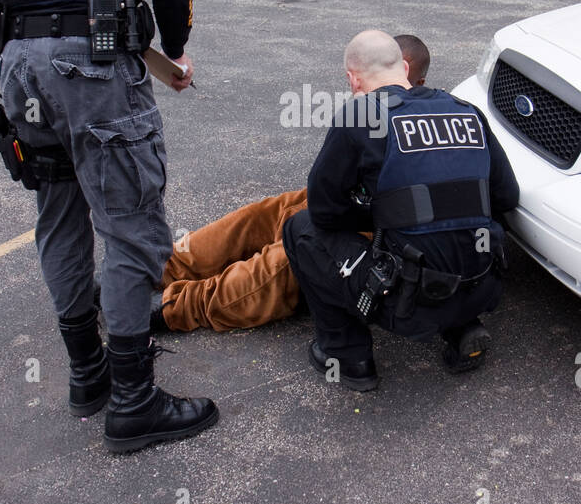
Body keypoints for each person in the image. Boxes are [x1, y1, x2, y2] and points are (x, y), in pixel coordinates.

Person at [0, 0, 217, 453]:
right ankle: (134, 402)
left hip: (18, 66)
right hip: (91, 66)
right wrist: (176, 47)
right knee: (132, 218)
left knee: (57, 211)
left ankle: (89, 375)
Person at [281, 29, 519, 391]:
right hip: (482, 283)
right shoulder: (466, 111)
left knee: (301, 228)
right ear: (405, 68)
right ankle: (463, 328)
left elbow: (325, 211)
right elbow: (506, 197)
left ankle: (348, 358)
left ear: (353, 78)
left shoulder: (361, 115)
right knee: (452, 229)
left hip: (410, 301)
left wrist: (383, 216)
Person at [154, 35, 431, 334]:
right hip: (370, 210)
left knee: (294, 244)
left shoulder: (406, 119)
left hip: (393, 238)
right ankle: (163, 267)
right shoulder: (405, 114)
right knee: (271, 211)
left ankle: (180, 307)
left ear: (409, 75)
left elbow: (329, 214)